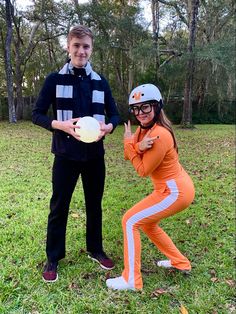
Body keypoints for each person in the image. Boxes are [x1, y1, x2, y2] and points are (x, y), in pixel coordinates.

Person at [32, 25, 120, 283]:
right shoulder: (54, 80)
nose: (81, 51)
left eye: (86, 46)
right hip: (65, 154)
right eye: (76, 46)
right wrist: (58, 125)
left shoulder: (100, 81)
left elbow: (114, 114)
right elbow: (36, 114)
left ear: (91, 49)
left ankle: (96, 249)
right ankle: (53, 257)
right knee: (59, 206)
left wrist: (109, 126)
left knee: (95, 205)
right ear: (68, 47)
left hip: (94, 156)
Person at [106, 84, 195, 291]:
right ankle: (179, 262)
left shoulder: (160, 135)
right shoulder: (142, 130)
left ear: (157, 106)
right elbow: (128, 154)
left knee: (129, 220)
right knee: (146, 224)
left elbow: (142, 169)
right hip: (167, 189)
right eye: (136, 109)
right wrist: (135, 145)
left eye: (145, 107)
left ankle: (131, 280)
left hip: (175, 191)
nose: (140, 113)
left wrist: (129, 143)